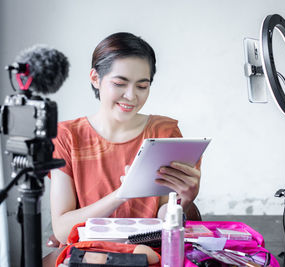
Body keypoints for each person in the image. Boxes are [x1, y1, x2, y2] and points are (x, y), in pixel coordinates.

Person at [49, 32, 202, 244]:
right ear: (95, 78)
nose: (131, 96)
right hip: (92, 255)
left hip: (151, 253)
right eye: (120, 83)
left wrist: (183, 200)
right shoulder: (67, 137)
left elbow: (163, 220)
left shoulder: (164, 132)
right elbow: (63, 231)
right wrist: (121, 194)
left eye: (142, 86)